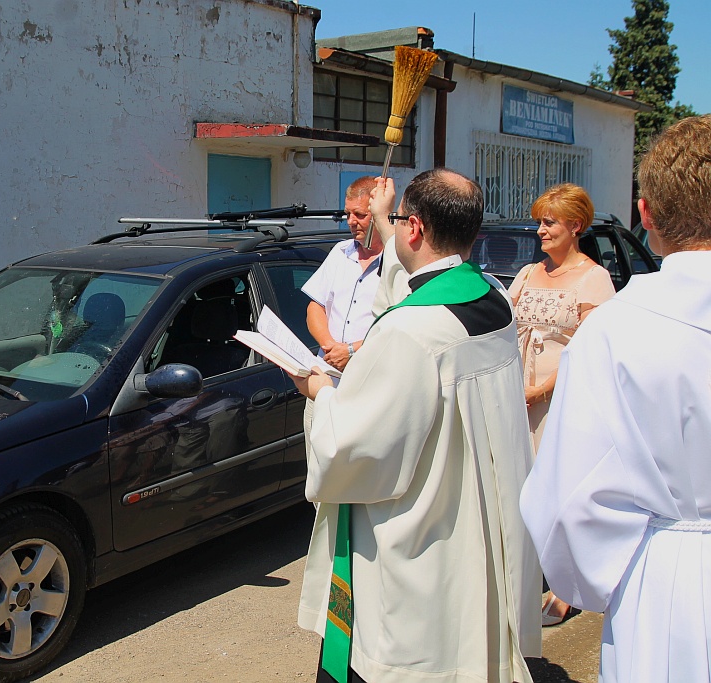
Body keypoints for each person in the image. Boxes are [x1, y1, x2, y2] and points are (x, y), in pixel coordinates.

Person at [292, 168, 541, 683]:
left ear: (417, 228)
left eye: (401, 219)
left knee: (404, 655)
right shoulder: (490, 297)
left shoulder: (409, 332)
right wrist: (385, 220)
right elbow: (405, 286)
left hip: (419, 537)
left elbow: (352, 451)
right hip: (471, 516)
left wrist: (319, 390)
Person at [520, 115, 711, 683]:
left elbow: (566, 504)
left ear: (645, 213)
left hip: (668, 582)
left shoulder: (616, 329)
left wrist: (593, 580)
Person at [508, 183, 615, 626]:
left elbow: (588, 351)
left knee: (561, 491)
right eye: (539, 222)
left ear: (575, 225)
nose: (539, 230)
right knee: (519, 487)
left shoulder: (595, 279)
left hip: (559, 402)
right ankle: (522, 575)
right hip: (515, 395)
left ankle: (566, 588)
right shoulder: (529, 272)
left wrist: (541, 391)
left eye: (548, 222)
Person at [303, 176, 385, 376]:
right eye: (347, 214)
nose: (351, 221)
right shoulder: (340, 252)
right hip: (327, 374)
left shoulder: (397, 262)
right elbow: (315, 306)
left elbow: (399, 328)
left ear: (379, 214)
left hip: (369, 377)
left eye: (359, 214)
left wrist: (351, 351)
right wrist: (331, 348)